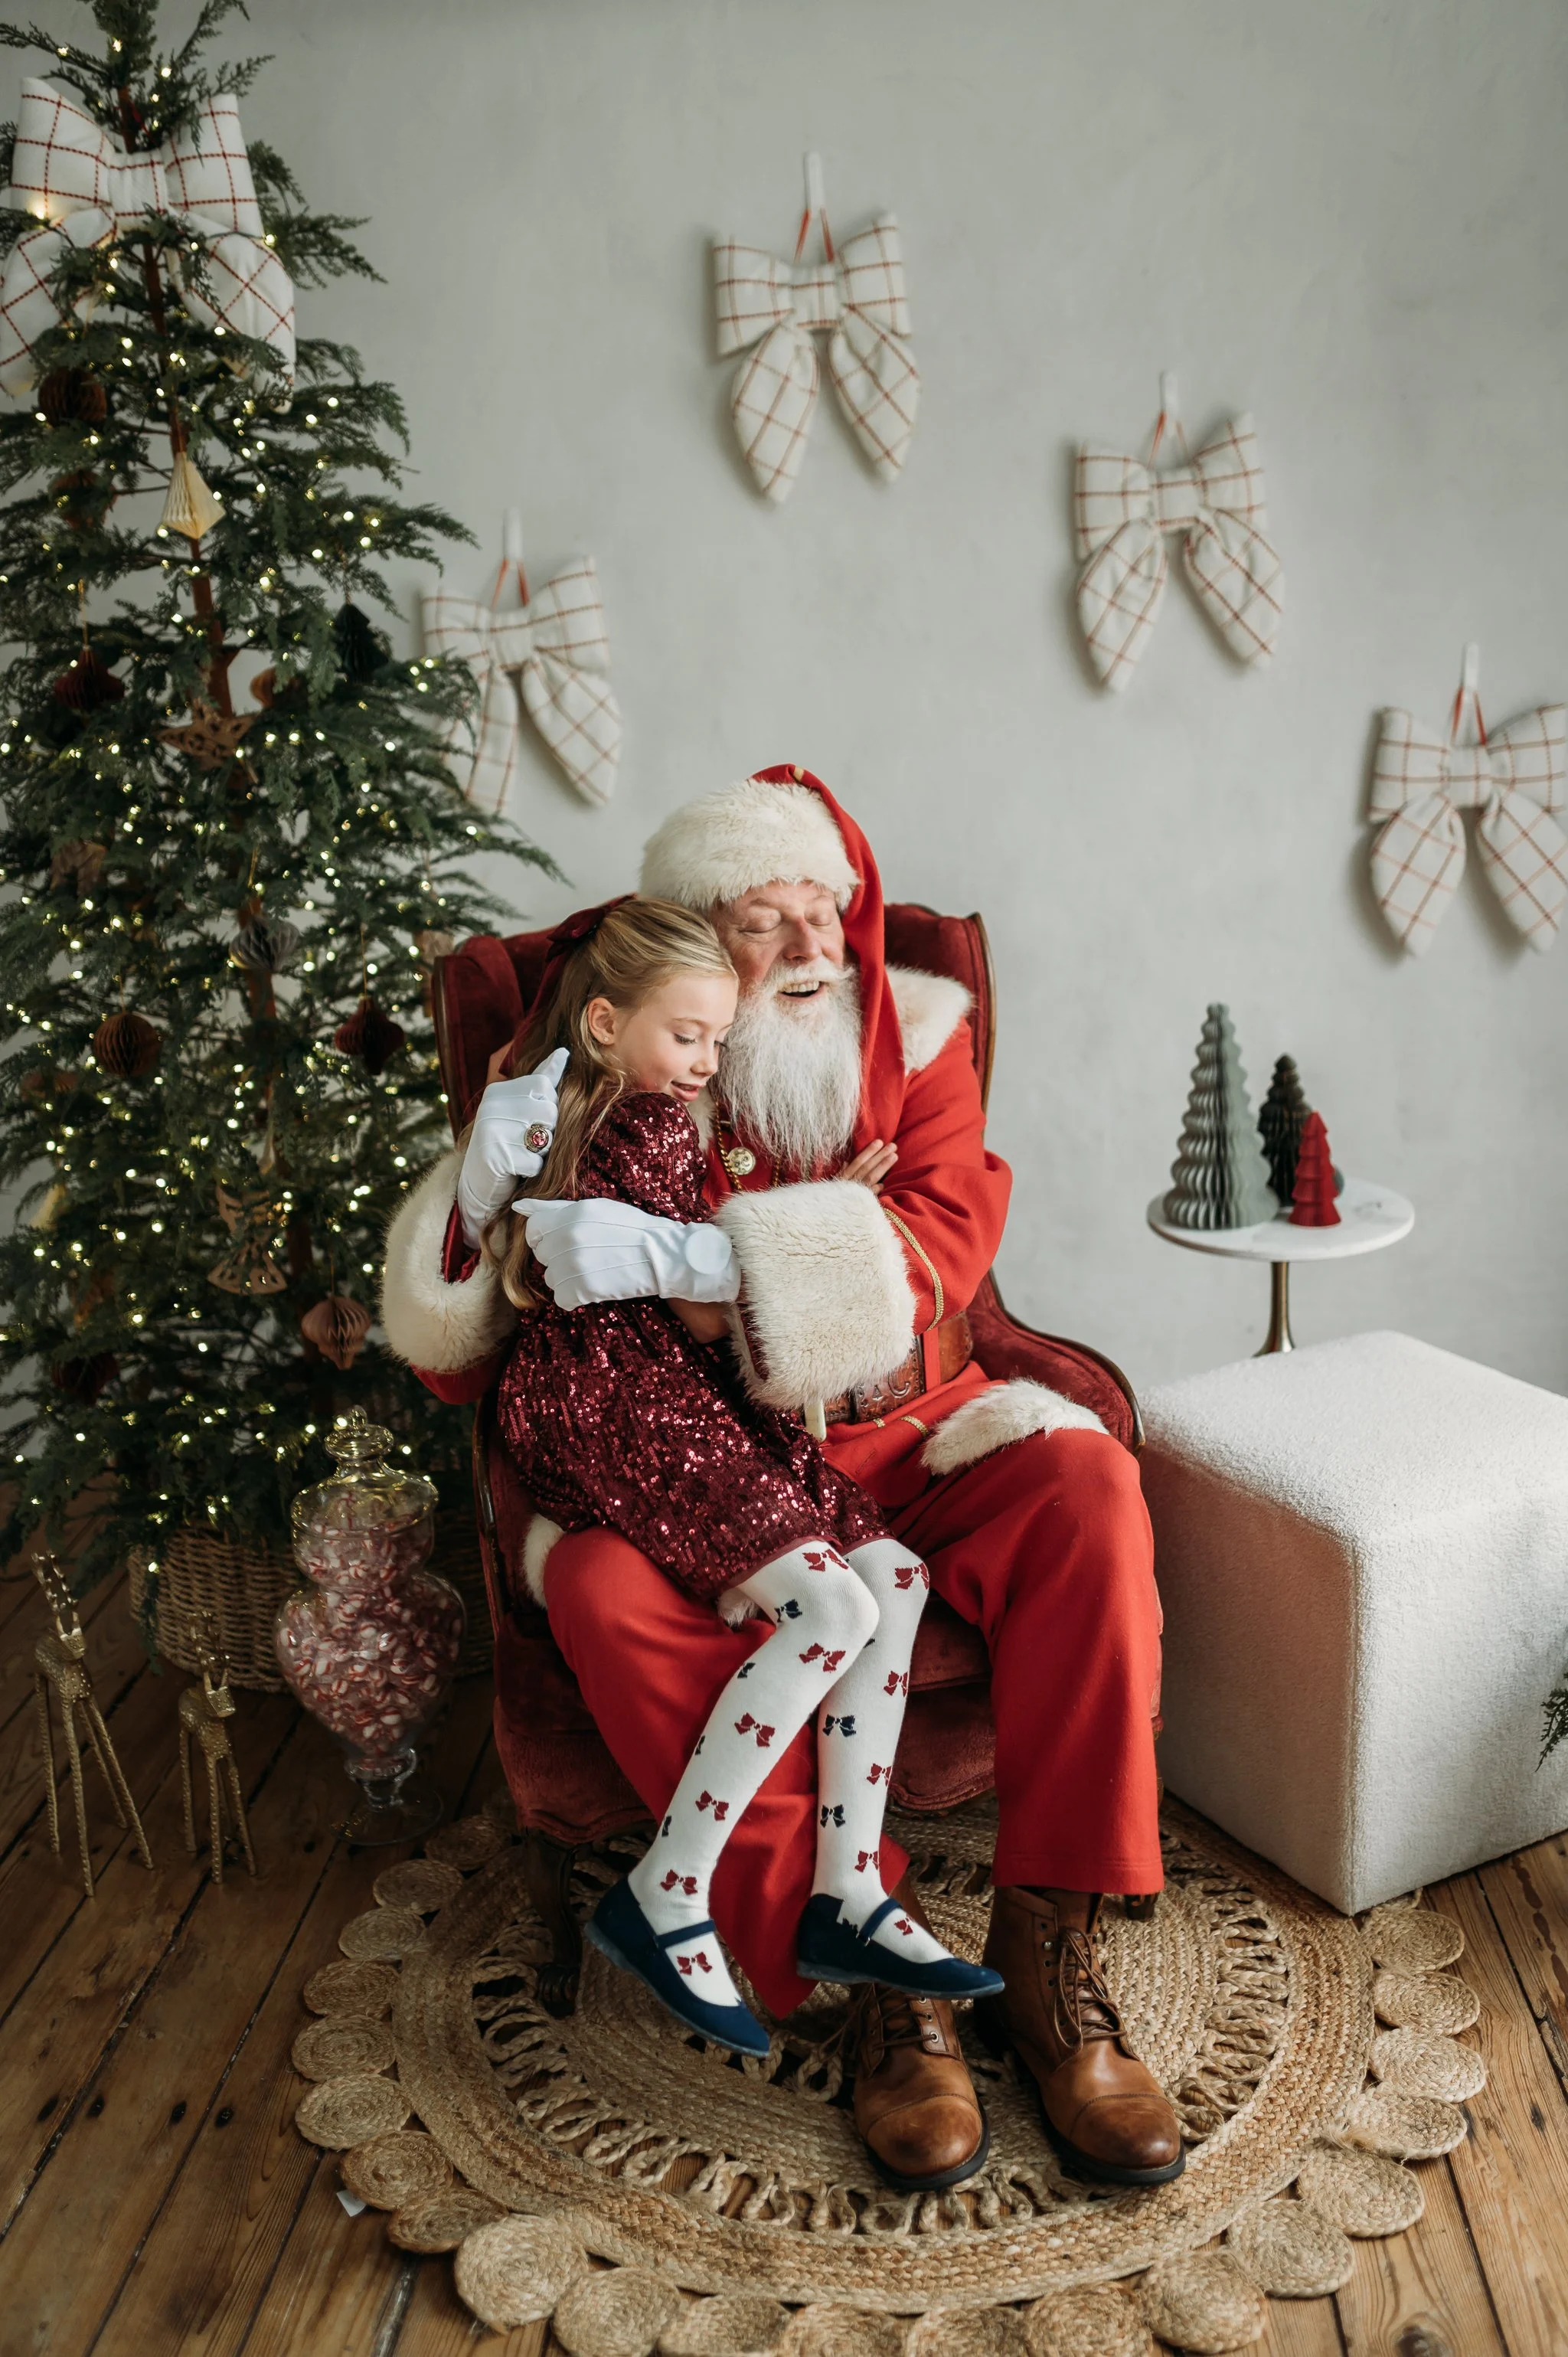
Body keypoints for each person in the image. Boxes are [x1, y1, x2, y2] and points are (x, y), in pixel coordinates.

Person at [382, 765, 1181, 2195]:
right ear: (698, 945)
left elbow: (938, 1241)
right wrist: (501, 1174)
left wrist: (718, 1266)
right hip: (689, 1455)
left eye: (831, 911)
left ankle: (1049, 1942)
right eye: (769, 920)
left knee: (1090, 1498)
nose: (815, 948)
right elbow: (469, 1324)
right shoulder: (634, 1065)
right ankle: (872, 1965)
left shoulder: (916, 1037)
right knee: (612, 1595)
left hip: (907, 1426)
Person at [480, 897, 1000, 2061]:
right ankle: (669, 1887)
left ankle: (848, 1888)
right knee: (836, 1605)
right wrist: (810, 1231)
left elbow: (691, 1269)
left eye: (720, 1039)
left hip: (667, 1385)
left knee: (893, 1576)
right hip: (624, 1395)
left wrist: (786, 1224)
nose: (709, 1061)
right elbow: (708, 1304)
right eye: (690, 1036)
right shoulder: (644, 1121)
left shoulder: (592, 1111)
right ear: (608, 1023)